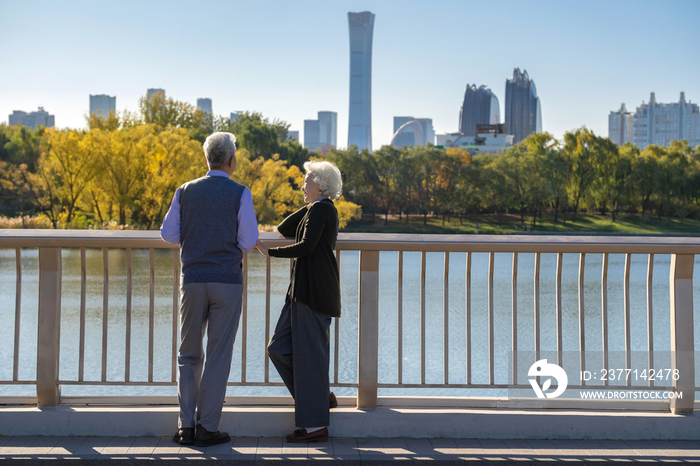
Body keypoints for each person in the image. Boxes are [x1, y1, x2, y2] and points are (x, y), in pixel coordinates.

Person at [161, 132, 258, 447]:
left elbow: (167, 234)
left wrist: (196, 237)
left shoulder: (185, 191)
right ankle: (207, 428)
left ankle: (185, 427)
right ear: (232, 161)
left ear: (207, 159)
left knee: (188, 354)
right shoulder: (240, 193)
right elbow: (247, 242)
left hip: (192, 280)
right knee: (218, 356)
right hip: (227, 282)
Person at [256, 160, 342, 443]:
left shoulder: (324, 209)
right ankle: (319, 397)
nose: (302, 185)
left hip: (314, 292)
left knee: (311, 358)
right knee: (277, 347)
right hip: (300, 291)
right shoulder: (316, 209)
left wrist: (271, 254)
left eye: (307, 181)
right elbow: (284, 227)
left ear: (320, 184)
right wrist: (308, 203)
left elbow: (306, 247)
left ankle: (316, 425)